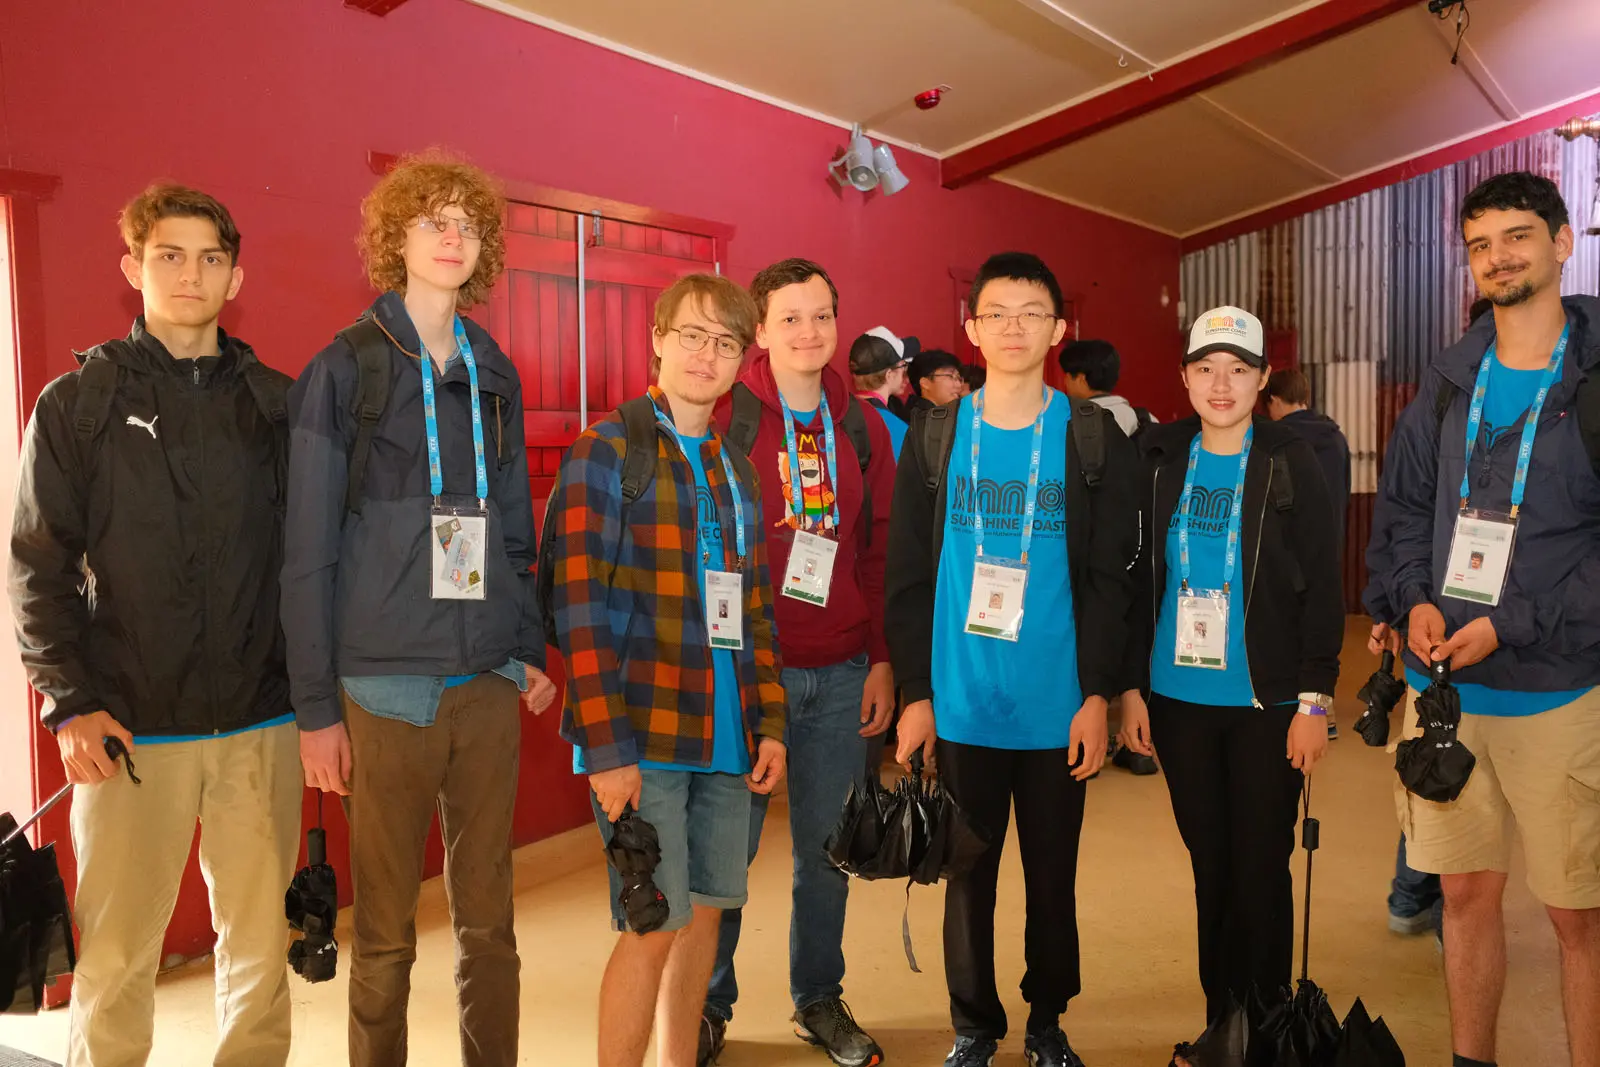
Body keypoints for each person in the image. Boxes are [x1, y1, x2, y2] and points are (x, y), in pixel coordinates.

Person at [9, 184, 300, 1067]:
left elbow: (313, 565)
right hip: (130, 730)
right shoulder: (78, 405)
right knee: (116, 958)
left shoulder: (276, 407)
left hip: (262, 723)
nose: (189, 274)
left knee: (260, 955)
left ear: (235, 277)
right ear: (133, 268)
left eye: (210, 258)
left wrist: (319, 699)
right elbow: (37, 565)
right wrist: (70, 703)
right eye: (168, 255)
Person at [283, 153, 556, 1067]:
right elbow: (306, 554)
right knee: (386, 933)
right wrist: (316, 709)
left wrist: (525, 648)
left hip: (486, 682)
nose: (451, 236)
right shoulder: (344, 369)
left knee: (491, 927)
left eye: (466, 224)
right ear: (393, 239)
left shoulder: (494, 371)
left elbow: (513, 528)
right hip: (383, 689)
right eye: (432, 220)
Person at [1365, 171, 1600, 1067]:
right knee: (1462, 895)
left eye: (1516, 236)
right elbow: (1401, 512)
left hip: (1558, 689)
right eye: (1479, 245)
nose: (1497, 257)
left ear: (1561, 243)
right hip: (1447, 696)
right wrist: (1414, 597)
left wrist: (1516, 621)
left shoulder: (1592, 382)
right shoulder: (1448, 383)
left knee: (1578, 915)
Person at [887, 252, 1142, 1067]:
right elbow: (908, 574)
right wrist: (917, 694)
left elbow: (1112, 578)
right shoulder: (935, 436)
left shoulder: (1091, 437)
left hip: (1057, 702)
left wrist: (1098, 693)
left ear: (1058, 329)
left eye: (1032, 313)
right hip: (962, 701)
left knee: (1052, 876)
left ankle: (1047, 1019)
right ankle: (973, 1024)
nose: (1013, 327)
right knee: (966, 875)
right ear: (971, 328)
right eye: (996, 312)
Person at [550, 273, 788, 1067]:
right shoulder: (608, 450)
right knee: (652, 922)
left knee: (707, 916)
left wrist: (771, 723)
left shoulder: (737, 471)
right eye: (691, 334)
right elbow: (577, 605)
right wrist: (606, 748)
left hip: (726, 738)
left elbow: (756, 608)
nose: (705, 354)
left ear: (742, 361)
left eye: (725, 342)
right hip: (642, 737)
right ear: (656, 338)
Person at [1118, 305, 1342, 1063]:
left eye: (1238, 370)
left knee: (1260, 870)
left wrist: (1315, 701)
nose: (1221, 384)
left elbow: (1323, 588)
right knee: (1211, 871)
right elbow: (1133, 579)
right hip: (1179, 703)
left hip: (1265, 706)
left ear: (1262, 379)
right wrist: (1130, 688)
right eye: (1206, 368)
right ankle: (1225, 1024)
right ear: (1184, 377)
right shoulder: (1158, 458)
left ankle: (1265, 1031)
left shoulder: (1290, 461)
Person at [702, 259, 895, 1067]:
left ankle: (818, 996)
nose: (808, 332)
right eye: (789, 317)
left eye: (821, 315)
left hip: (844, 668)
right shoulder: (728, 413)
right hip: (751, 671)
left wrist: (882, 658)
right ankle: (707, 1003)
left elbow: (879, 551)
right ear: (760, 328)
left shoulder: (863, 426)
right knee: (727, 852)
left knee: (826, 851)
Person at [1057, 338, 1161, 775]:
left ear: (1080, 378)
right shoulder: (1147, 421)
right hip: (1140, 548)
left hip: (1092, 557)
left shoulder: (1077, 428)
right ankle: (1134, 742)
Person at [1057, 338, 1154, 437]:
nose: (1065, 382)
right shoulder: (1145, 419)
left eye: (1067, 377)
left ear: (1081, 379)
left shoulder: (1069, 425)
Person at [849, 326, 915, 460]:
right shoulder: (897, 429)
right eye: (903, 366)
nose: (906, 375)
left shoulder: (837, 416)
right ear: (889, 375)